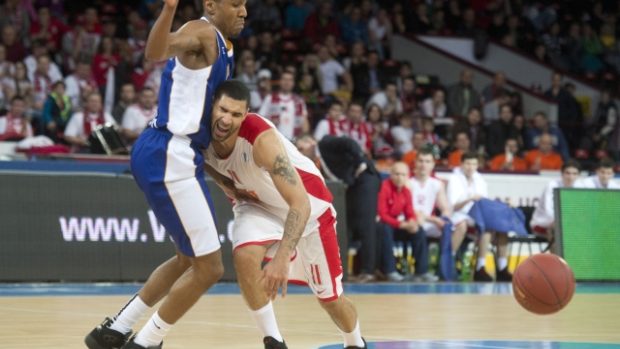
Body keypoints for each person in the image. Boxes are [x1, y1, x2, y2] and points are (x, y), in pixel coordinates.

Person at [84, 1, 245, 348]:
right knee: (211, 268)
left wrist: (221, 177)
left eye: (246, 4)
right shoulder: (200, 31)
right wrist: (169, 8)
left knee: (188, 258)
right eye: (236, 3)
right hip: (170, 151)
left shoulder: (224, 46)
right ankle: (145, 342)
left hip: (170, 151)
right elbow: (156, 51)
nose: (244, 10)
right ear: (212, 6)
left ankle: (113, 330)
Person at [204, 81, 366, 349]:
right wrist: (225, 184)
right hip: (259, 205)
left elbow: (299, 204)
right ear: (212, 106)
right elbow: (208, 162)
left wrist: (281, 258)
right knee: (244, 256)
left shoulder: (260, 139)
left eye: (236, 114)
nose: (226, 119)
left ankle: (355, 342)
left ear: (245, 116)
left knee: (330, 299)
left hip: (309, 210)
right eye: (223, 110)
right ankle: (274, 341)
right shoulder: (199, 134)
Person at [296, 134, 381, 283]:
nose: (300, 152)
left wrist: (360, 161)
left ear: (310, 142)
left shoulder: (324, 143)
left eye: (301, 148)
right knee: (347, 224)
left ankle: (368, 271)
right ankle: (348, 270)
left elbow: (348, 142)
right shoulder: (315, 163)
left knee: (365, 224)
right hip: (353, 186)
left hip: (365, 177)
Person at [447, 152, 511, 282]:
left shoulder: (479, 179)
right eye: (468, 163)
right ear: (461, 164)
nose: (471, 167)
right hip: (458, 215)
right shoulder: (453, 179)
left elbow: (484, 203)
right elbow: (453, 206)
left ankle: (496, 268)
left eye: (474, 164)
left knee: (499, 226)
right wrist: (469, 198)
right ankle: (449, 264)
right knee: (471, 224)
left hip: (476, 216)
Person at [377, 161, 437, 282]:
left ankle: (421, 272)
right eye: (397, 174)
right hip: (384, 225)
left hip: (398, 226)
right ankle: (390, 271)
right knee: (385, 228)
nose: (400, 178)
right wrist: (402, 224)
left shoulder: (406, 191)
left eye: (403, 175)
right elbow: (383, 215)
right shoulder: (384, 187)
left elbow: (409, 212)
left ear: (407, 176)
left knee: (418, 231)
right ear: (391, 174)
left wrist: (412, 223)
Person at [411, 148, 467, 276]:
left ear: (433, 164)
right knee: (418, 223)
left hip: (428, 222)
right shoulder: (409, 182)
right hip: (412, 220)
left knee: (455, 226)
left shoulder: (437, 184)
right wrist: (434, 219)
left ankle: (446, 265)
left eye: (427, 161)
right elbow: (409, 210)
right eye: (420, 161)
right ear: (415, 163)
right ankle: (423, 270)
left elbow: (445, 208)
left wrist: (445, 218)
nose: (423, 164)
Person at [531, 160, 582, 240]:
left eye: (574, 174)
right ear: (562, 174)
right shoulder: (552, 185)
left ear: (579, 175)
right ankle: (556, 253)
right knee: (557, 228)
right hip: (542, 223)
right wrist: (563, 221)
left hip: (568, 225)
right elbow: (548, 211)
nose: (570, 177)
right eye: (567, 173)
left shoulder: (580, 187)